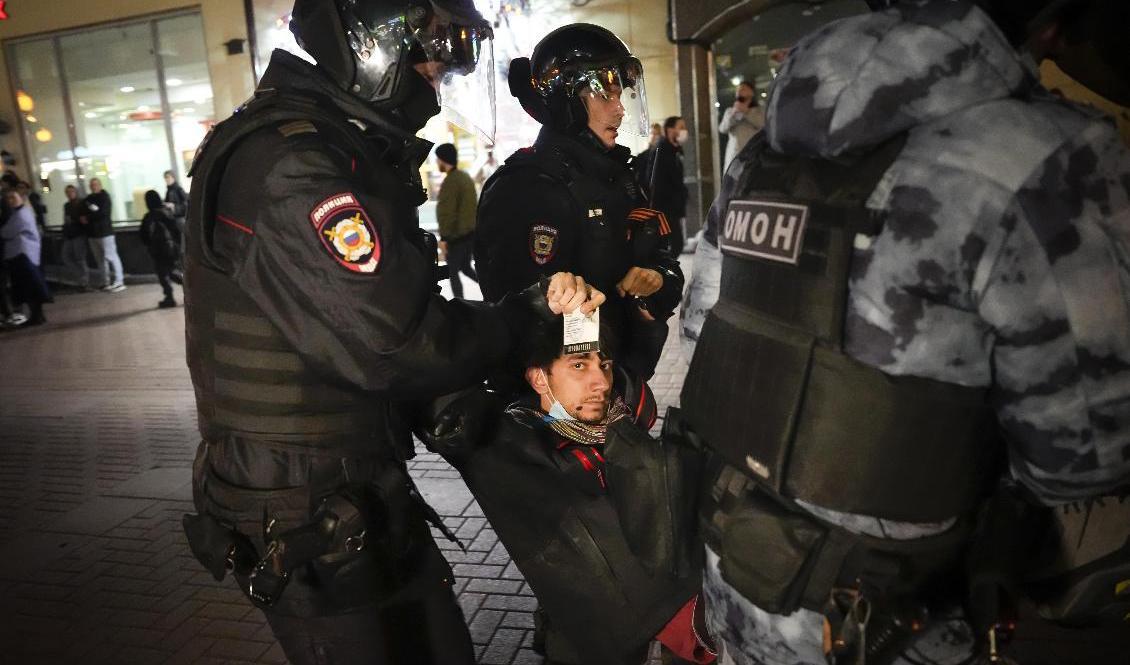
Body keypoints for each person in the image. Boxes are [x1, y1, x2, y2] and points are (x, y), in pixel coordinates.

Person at [676, 1, 1130, 664]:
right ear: (1051, 26)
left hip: (740, 584)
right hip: (892, 626)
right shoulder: (1049, 157)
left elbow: (698, 337)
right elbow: (1086, 455)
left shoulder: (760, 156)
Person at [179, 0, 605, 663]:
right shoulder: (291, 164)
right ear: (367, 43)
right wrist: (527, 315)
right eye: (434, 51)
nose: (440, 74)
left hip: (347, 486)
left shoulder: (334, 147)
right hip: (307, 509)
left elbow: (357, 322)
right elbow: (396, 340)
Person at [419, 316, 714, 665]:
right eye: (578, 365)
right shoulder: (508, 450)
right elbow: (427, 372)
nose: (600, 382)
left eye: (603, 365)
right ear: (538, 377)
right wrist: (519, 312)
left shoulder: (623, 419)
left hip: (685, 619)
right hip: (593, 636)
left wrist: (647, 299)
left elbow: (639, 344)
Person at [477, 23, 685, 380]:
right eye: (606, 96)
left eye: (621, 95)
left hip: (621, 383)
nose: (620, 110)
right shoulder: (523, 187)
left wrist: (658, 280)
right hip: (554, 404)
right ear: (565, 101)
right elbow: (515, 316)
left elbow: (663, 258)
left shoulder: (622, 178)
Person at [433, 142, 478, 298]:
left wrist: (444, 238)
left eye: (438, 159)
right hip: (469, 234)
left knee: (453, 273)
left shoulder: (451, 182)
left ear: (444, 159)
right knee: (465, 268)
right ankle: (490, 288)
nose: (437, 162)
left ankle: (459, 305)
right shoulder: (465, 177)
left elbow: (447, 212)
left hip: (456, 237)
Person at [0, 188, 49, 327]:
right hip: (24, 253)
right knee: (30, 286)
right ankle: (37, 315)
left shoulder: (21, 214)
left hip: (23, 253)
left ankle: (36, 316)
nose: (11, 201)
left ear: (21, 198)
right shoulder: (22, 213)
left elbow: (6, 232)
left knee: (30, 286)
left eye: (13, 197)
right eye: (8, 198)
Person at [648, 116, 689, 255]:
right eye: (681, 127)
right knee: (671, 245)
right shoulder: (662, 152)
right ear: (670, 130)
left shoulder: (675, 151)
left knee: (675, 244)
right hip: (664, 210)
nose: (684, 131)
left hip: (672, 209)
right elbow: (656, 182)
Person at [139, 190, 182, 308]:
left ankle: (170, 297)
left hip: (158, 250)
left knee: (164, 273)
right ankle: (188, 288)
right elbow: (176, 231)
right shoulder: (167, 213)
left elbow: (145, 234)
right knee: (171, 270)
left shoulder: (149, 216)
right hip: (172, 248)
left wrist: (149, 245)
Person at [83, 177, 124, 292]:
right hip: (93, 234)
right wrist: (90, 215)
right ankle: (105, 282)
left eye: (95, 184)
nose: (93, 186)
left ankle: (119, 281)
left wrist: (89, 217)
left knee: (111, 256)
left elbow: (103, 213)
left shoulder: (104, 197)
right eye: (91, 185)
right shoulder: (88, 199)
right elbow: (86, 213)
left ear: (100, 185)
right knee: (100, 260)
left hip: (105, 232)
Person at [718, 81, 764, 171]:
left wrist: (746, 112)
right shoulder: (730, 111)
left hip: (753, 155)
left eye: (743, 89)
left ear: (752, 92)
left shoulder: (759, 110)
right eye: (737, 90)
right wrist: (733, 115)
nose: (739, 91)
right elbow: (722, 129)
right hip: (735, 156)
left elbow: (762, 124)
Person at [61, 184, 89, 289]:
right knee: (66, 257)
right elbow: (66, 220)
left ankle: (84, 281)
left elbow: (84, 219)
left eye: (71, 191)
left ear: (75, 192)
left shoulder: (81, 203)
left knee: (80, 258)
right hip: (69, 234)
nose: (69, 194)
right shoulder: (66, 205)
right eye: (67, 192)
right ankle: (81, 277)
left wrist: (75, 220)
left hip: (79, 234)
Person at [163, 170, 189, 246]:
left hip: (180, 219)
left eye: (168, 177)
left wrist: (174, 207)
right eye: (165, 178)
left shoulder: (178, 189)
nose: (166, 179)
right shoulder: (168, 191)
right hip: (173, 219)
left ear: (173, 178)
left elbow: (186, 205)